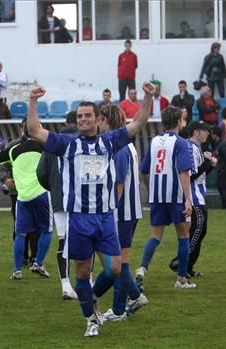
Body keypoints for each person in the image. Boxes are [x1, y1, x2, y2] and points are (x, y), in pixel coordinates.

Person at [26, 82, 153, 337]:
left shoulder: (110, 141)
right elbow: (34, 130)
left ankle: (91, 298)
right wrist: (32, 100)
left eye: (88, 116)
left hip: (106, 217)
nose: (83, 120)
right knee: (82, 272)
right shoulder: (67, 144)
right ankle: (90, 319)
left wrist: (148, 96)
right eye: (80, 116)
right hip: (79, 219)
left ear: (97, 120)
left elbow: (139, 123)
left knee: (115, 268)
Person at [90, 104, 148, 321]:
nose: (97, 124)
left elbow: (119, 185)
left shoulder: (120, 148)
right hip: (128, 211)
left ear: (105, 120)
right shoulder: (125, 145)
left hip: (121, 213)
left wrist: (107, 211)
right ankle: (135, 296)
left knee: (118, 263)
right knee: (119, 261)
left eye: (99, 119)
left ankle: (117, 309)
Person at [135, 105, 195, 292]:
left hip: (157, 196)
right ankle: (181, 279)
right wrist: (188, 199)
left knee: (155, 236)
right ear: (179, 121)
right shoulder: (181, 143)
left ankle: (142, 268)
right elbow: (184, 171)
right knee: (184, 236)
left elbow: (143, 170)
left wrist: (151, 188)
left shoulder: (154, 142)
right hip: (176, 196)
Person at [0, 118, 54, 281]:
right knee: (46, 230)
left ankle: (17, 270)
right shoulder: (44, 146)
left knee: (20, 233)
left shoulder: (14, 149)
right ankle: (38, 263)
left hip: (22, 196)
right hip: (41, 193)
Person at [37, 111, 78, 300]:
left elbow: (41, 173)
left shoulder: (50, 145)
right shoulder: (82, 142)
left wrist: (53, 188)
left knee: (63, 241)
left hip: (59, 200)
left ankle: (65, 285)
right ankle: (88, 279)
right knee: (86, 240)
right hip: (80, 200)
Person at [169, 121, 217, 278]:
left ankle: (188, 267)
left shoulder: (197, 148)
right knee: (197, 231)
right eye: (205, 131)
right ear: (197, 132)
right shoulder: (189, 148)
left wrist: (209, 165)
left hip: (199, 197)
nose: (208, 134)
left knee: (200, 232)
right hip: (194, 198)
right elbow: (191, 175)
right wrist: (207, 163)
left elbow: (199, 175)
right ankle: (179, 262)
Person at [211, 127, 226, 208]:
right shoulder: (219, 144)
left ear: (215, 135)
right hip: (222, 170)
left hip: (224, 171)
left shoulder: (222, 145)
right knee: (221, 188)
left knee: (224, 189)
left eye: (212, 134)